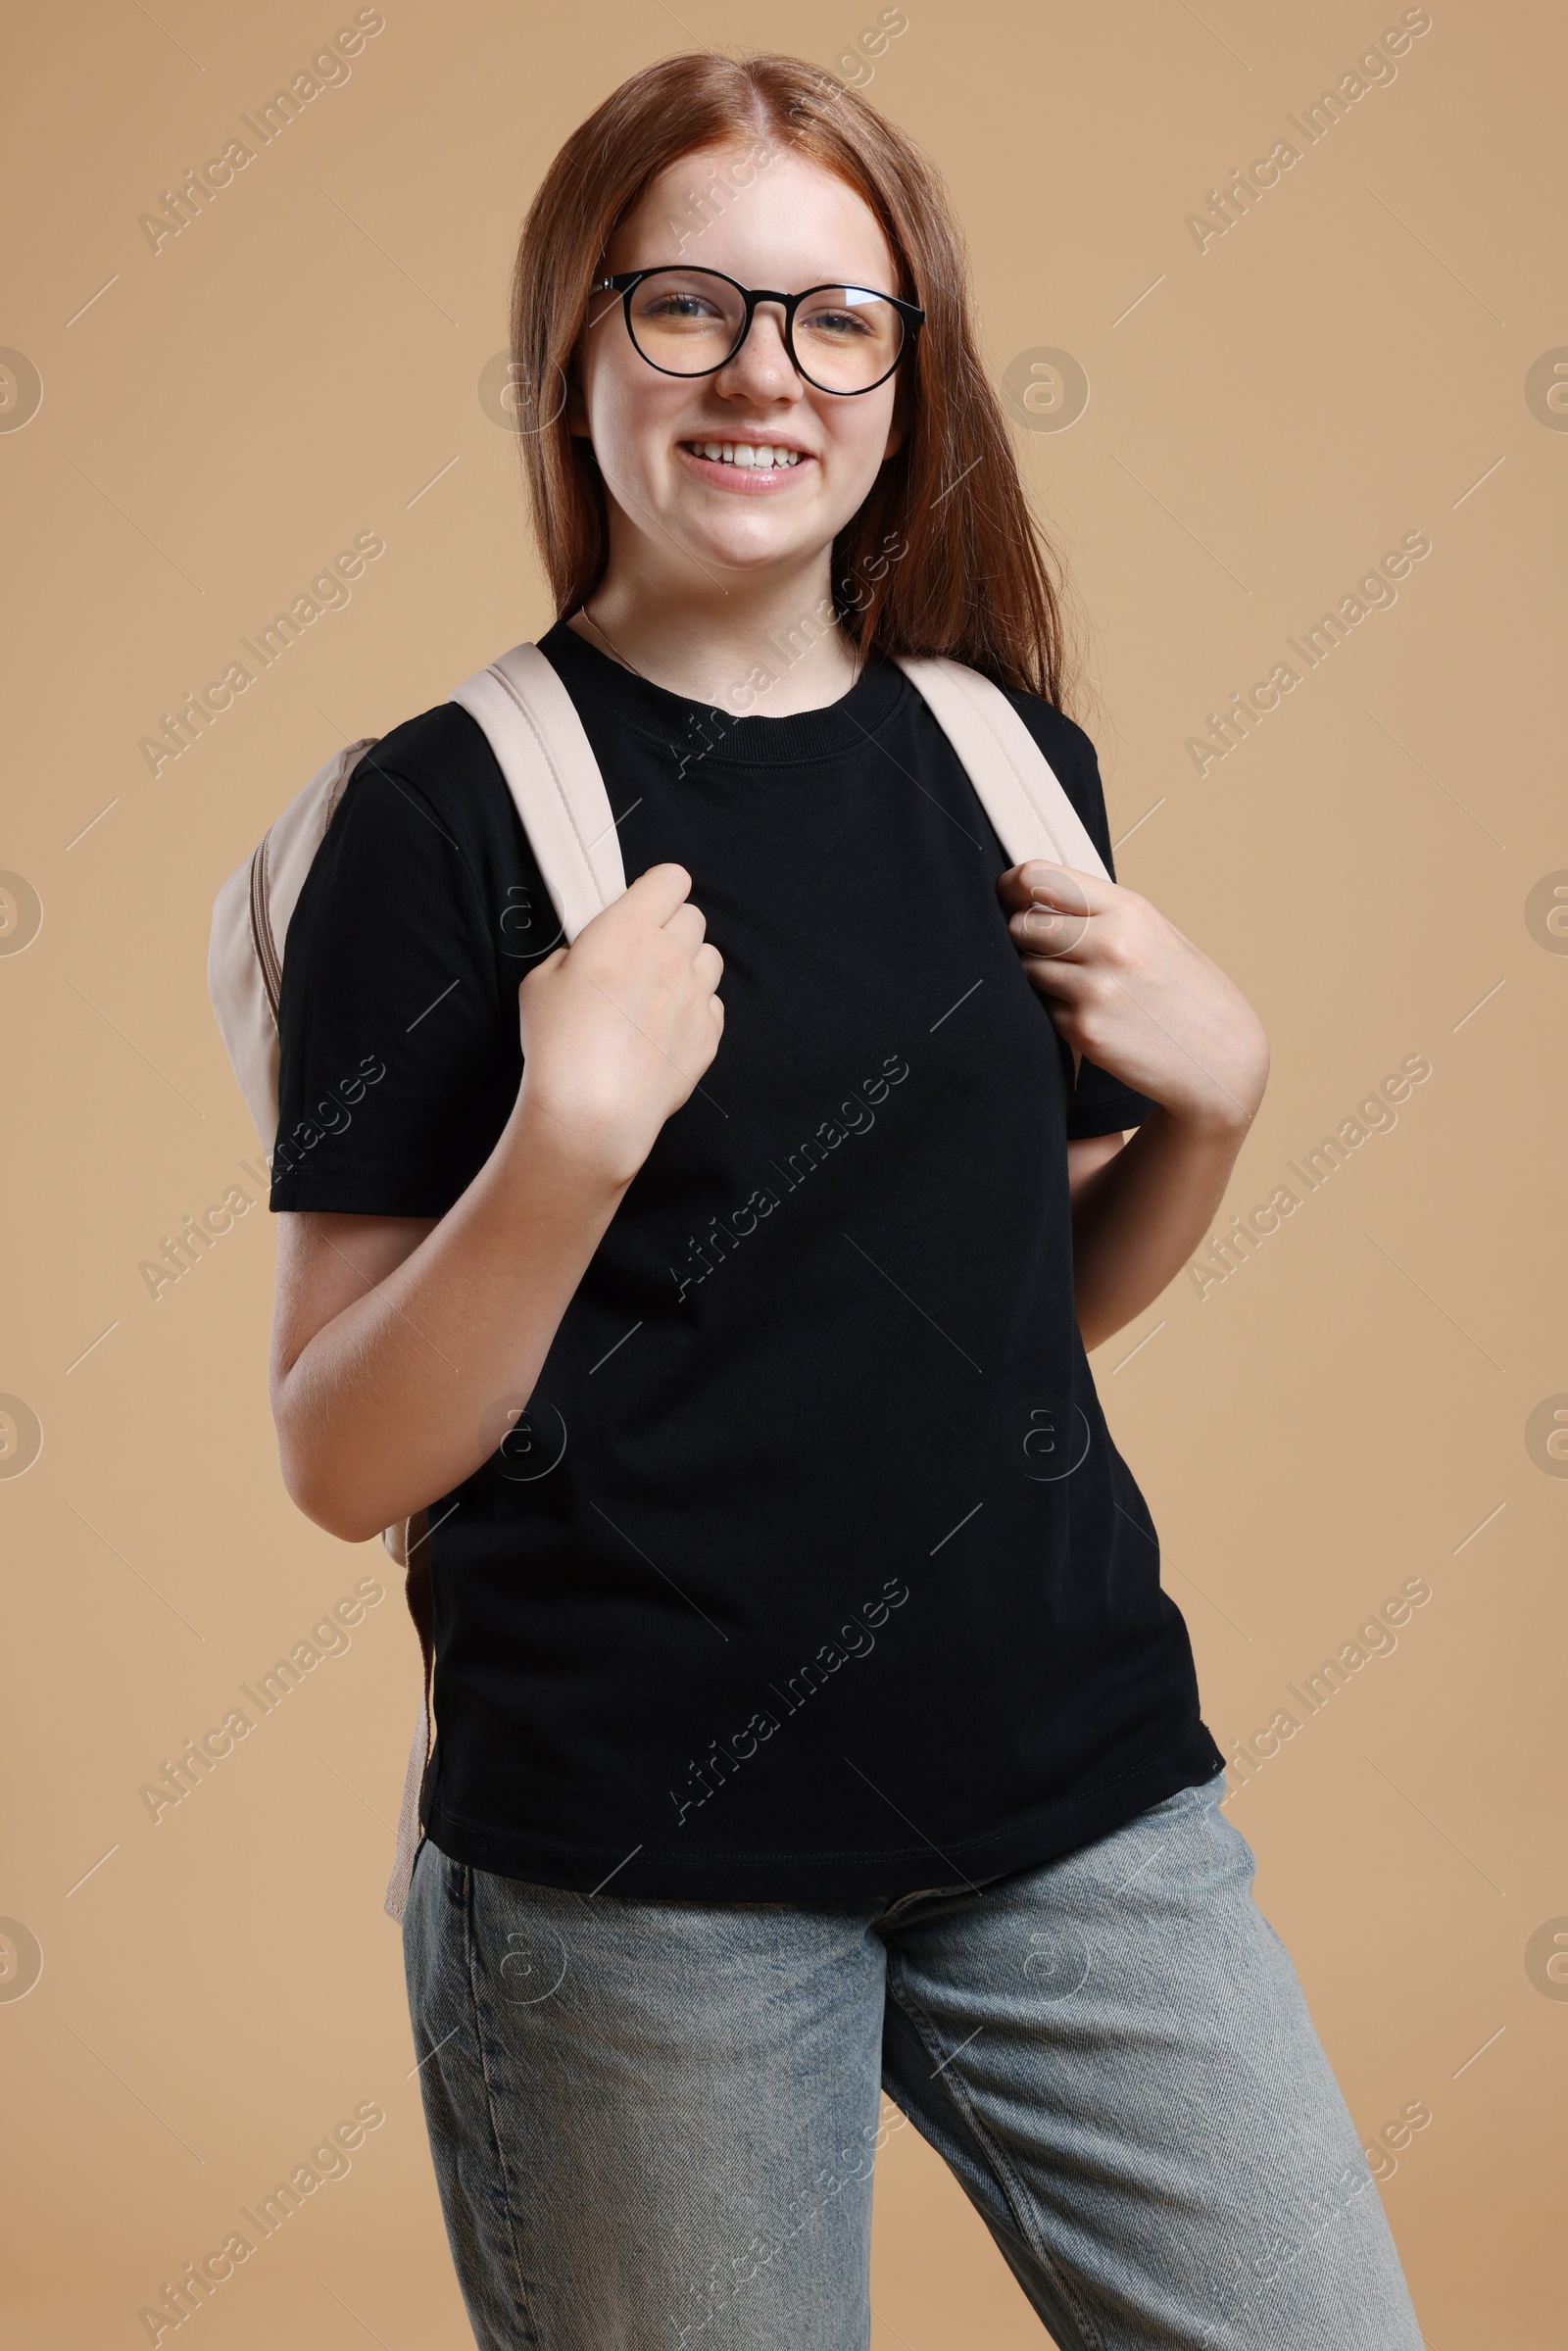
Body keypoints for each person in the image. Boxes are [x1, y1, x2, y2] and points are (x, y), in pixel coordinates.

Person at [266, 50, 1425, 2351]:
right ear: (571, 346)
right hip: (641, 1878)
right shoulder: (443, 815)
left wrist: (1211, 1111)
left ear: (908, 373)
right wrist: (558, 1149)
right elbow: (340, 1455)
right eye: (682, 307)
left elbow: (1005, 1324)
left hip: (1075, 1806)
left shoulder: (1005, 756)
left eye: (831, 319)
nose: (757, 375)